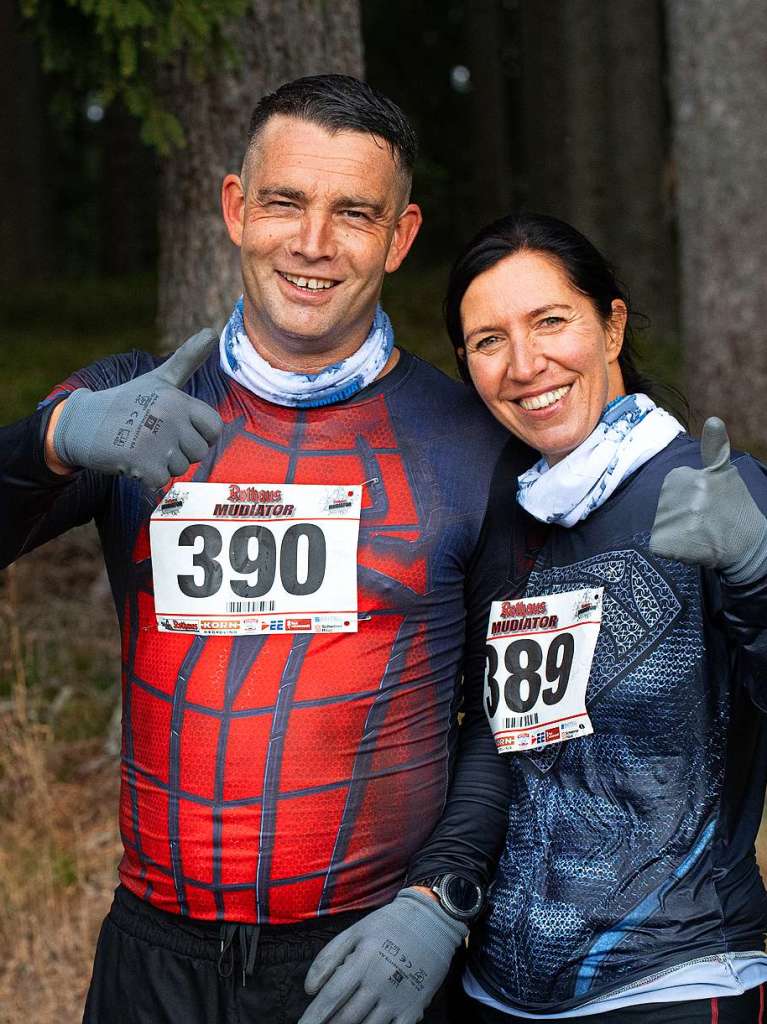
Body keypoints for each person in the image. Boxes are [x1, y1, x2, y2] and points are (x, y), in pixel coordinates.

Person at [0, 77, 534, 1024]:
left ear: (400, 237)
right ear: (237, 209)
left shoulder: (470, 444)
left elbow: (513, 714)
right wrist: (51, 439)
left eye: (353, 214)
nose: (314, 244)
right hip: (152, 960)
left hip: (370, 962)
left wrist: (441, 899)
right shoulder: (132, 402)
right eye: (284, 202)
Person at [426, 211, 767, 1023]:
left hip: (676, 984)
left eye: (550, 322)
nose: (524, 364)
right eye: (487, 341)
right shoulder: (506, 521)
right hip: (494, 991)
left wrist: (757, 573)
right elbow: (502, 750)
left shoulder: (717, 495)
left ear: (610, 325)